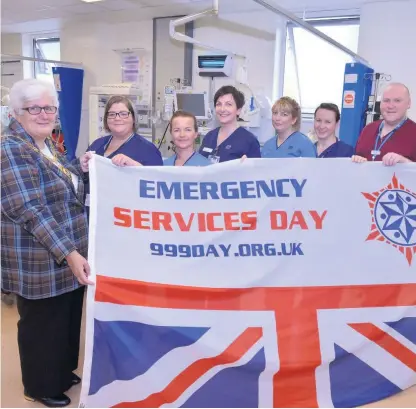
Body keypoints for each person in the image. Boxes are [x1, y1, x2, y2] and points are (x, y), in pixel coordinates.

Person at [1, 79, 93, 408]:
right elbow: (29, 208)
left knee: (67, 318)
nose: (44, 114)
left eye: (49, 108)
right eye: (34, 108)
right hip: (39, 258)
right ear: (16, 112)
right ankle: (39, 385)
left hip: (67, 248)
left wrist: (78, 168)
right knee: (44, 324)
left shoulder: (46, 144)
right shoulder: (11, 149)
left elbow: (61, 180)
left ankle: (61, 371)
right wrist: (69, 253)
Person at [84, 95, 163, 203]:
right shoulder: (97, 144)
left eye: (123, 114)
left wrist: (134, 166)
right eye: (112, 114)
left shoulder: (148, 150)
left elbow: (158, 188)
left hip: (126, 213)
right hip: (94, 210)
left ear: (133, 118)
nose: (117, 118)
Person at [352, 82, 416, 165]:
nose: (390, 106)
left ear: (408, 103)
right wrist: (356, 160)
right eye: (386, 100)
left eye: (397, 100)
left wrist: (405, 162)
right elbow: (357, 159)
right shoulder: (368, 129)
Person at [198, 85, 261, 163]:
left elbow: (256, 173)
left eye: (228, 104)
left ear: (238, 110)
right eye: (219, 104)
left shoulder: (249, 141)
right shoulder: (209, 137)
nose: (222, 109)